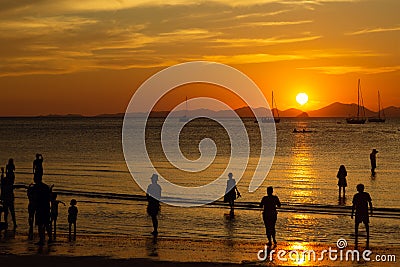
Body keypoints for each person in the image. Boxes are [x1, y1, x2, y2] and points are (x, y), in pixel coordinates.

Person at [31, 174, 52, 245]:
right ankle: (50, 238)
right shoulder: (46, 187)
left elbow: (34, 197)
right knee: (46, 224)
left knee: (40, 224)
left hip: (40, 207)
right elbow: (49, 197)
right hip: (46, 207)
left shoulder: (35, 187)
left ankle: (42, 240)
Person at [351, 184, 373, 248]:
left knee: (358, 224)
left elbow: (354, 205)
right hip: (364, 211)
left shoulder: (357, 195)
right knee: (365, 224)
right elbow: (370, 203)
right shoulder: (366, 194)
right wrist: (371, 210)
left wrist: (352, 213)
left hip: (359, 211)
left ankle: (357, 234)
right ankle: (366, 235)